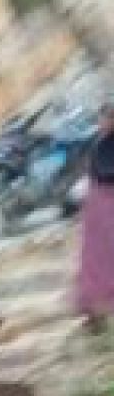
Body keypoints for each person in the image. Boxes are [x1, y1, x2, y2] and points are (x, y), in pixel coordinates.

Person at [78, 103, 114, 333]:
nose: (102, 124)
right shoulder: (99, 144)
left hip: (107, 204)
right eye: (101, 119)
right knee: (93, 261)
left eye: (107, 119)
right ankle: (93, 315)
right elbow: (96, 172)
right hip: (98, 207)